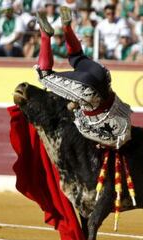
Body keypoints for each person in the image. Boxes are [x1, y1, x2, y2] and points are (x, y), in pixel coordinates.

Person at [34, 6, 132, 149]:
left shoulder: (125, 120)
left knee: (77, 57)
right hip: (89, 93)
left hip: (103, 77)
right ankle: (46, 35)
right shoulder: (117, 136)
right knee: (45, 75)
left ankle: (66, 28)